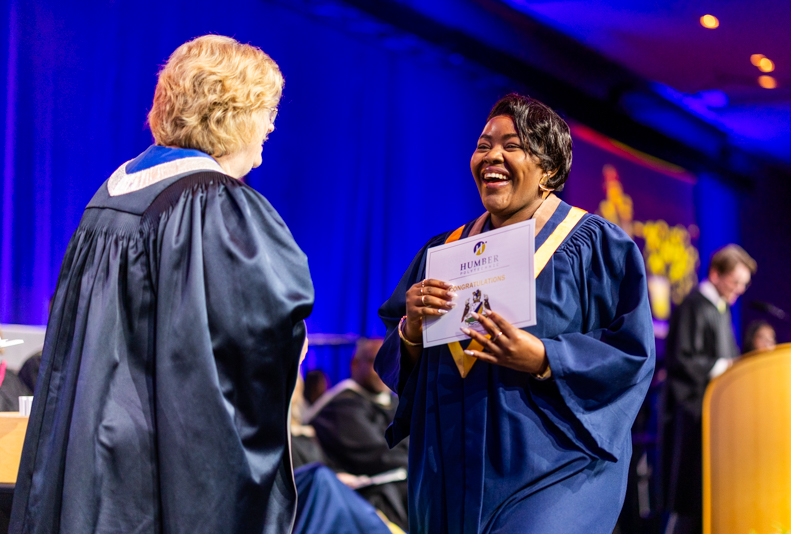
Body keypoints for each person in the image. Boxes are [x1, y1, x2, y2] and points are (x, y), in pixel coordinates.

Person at [10, 35, 314, 534]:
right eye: (268, 110)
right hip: (155, 466)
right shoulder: (213, 201)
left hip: (93, 454)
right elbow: (259, 332)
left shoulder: (109, 196)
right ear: (233, 112)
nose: (272, 126)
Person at [375, 93, 655, 533]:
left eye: (512, 145)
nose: (493, 156)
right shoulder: (443, 251)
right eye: (484, 145)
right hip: (447, 468)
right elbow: (397, 362)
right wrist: (411, 329)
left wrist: (545, 358)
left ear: (549, 169)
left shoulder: (594, 246)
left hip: (553, 470)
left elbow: (631, 354)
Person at [660, 244, 757, 534]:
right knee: (689, 493)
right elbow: (682, 358)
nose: (738, 290)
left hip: (715, 414)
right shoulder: (693, 306)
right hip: (691, 412)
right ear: (715, 274)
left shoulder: (721, 309)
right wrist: (724, 367)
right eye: (735, 282)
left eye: (743, 285)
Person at [307, 339, 409, 531]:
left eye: (390, 361)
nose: (383, 369)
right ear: (355, 364)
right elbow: (380, 456)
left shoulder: (394, 403)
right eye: (373, 362)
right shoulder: (341, 406)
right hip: (362, 498)